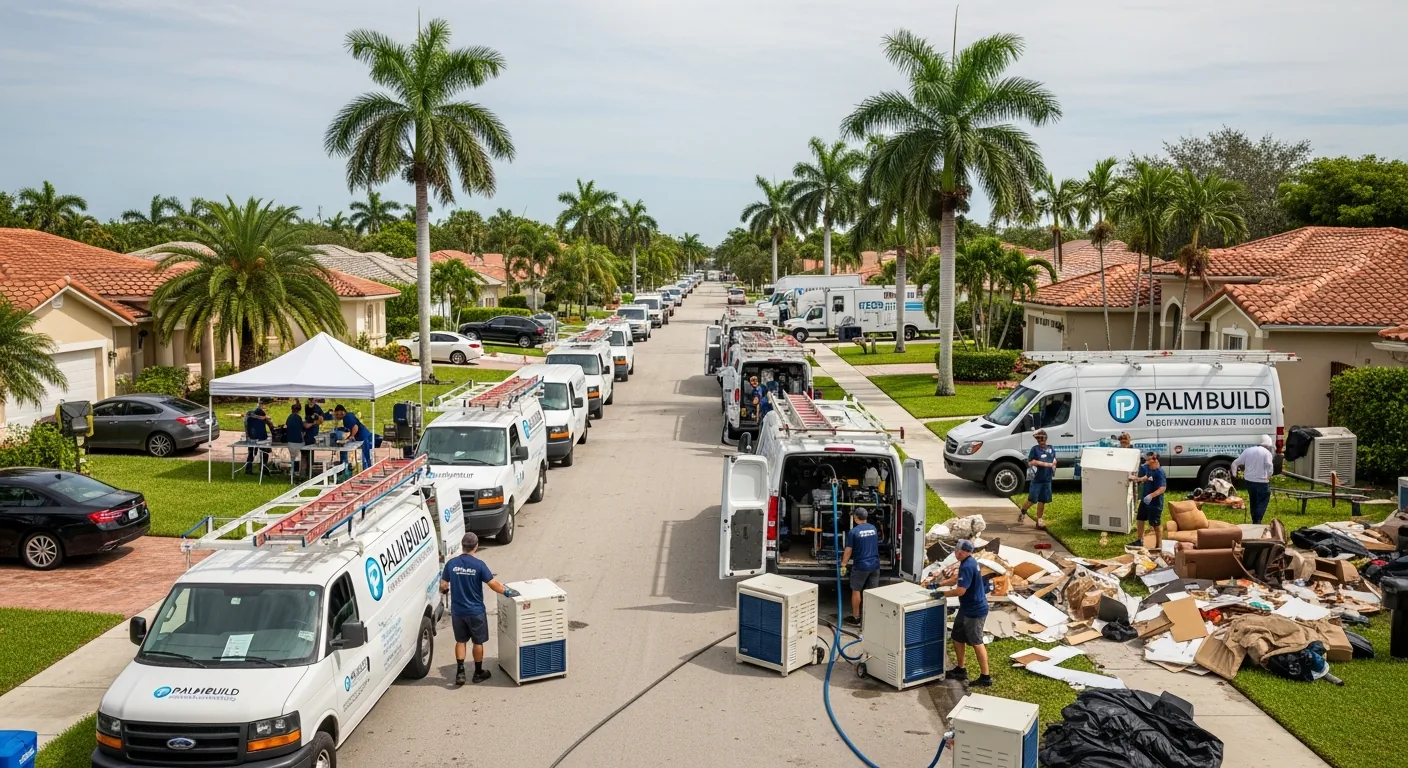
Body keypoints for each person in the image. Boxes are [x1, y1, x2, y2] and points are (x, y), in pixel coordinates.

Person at [440, 532, 514, 685]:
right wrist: (506, 592)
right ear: (476, 546)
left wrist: (445, 590)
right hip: (475, 612)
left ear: (462, 546)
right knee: (477, 642)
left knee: (460, 641)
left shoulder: (451, 564)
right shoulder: (479, 565)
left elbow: (443, 584)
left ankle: (460, 673)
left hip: (458, 612)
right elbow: (492, 584)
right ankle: (478, 673)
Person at [923, 540, 991, 687]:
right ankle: (961, 669)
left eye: (959, 551)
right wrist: (938, 584)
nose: (956, 553)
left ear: (966, 552)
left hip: (975, 610)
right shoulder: (966, 562)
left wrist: (942, 594)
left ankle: (985, 677)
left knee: (976, 642)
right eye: (956, 550)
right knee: (957, 637)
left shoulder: (968, 565)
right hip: (965, 607)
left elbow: (961, 590)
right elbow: (957, 579)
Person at [839, 508, 880, 627]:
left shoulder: (854, 532)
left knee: (856, 590)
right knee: (872, 592)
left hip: (861, 566)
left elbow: (848, 550)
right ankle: (871, 617)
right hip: (875, 565)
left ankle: (856, 617)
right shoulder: (873, 528)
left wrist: (843, 564)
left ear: (856, 518)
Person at [1233, 435, 1276, 525]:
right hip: (1262, 481)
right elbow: (1269, 466)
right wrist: (1269, 475)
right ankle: (1258, 519)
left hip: (1249, 481)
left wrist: (1234, 475)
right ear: (1268, 445)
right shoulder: (1267, 453)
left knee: (1253, 499)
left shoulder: (1248, 451)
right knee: (1264, 497)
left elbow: (1235, 463)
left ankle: (1254, 519)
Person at [1017, 430, 1056, 528]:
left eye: (1042, 439)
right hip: (1037, 479)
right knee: (1032, 500)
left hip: (1047, 479)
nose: (1041, 442)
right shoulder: (1035, 449)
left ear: (1046, 439)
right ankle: (1023, 510)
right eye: (1039, 440)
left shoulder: (1051, 449)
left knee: (1042, 500)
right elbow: (1030, 462)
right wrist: (1043, 464)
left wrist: (1053, 466)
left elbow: (1054, 460)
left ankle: (1039, 521)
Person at [1131, 451, 1168, 549]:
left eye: (1148, 459)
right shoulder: (1149, 468)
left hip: (1155, 503)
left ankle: (1159, 545)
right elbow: (1147, 477)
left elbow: (1162, 488)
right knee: (1140, 518)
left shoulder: (1160, 472)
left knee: (1155, 524)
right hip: (1145, 500)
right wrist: (1136, 479)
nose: (1145, 461)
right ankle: (1140, 541)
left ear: (1154, 459)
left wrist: (1151, 496)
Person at [334, 404, 372, 470]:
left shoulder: (347, 417)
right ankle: (346, 466)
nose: (337, 416)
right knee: (365, 455)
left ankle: (367, 469)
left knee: (365, 456)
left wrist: (351, 436)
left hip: (362, 436)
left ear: (342, 412)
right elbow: (351, 428)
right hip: (361, 436)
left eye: (337, 414)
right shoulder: (348, 416)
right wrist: (348, 436)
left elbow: (355, 427)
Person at [243, 401, 274, 475]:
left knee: (255, 453)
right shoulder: (252, 416)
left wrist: (248, 436)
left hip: (255, 438)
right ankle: (260, 468)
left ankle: (255, 468)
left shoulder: (251, 416)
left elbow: (270, 425)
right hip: (257, 438)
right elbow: (270, 425)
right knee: (260, 453)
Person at [283, 402, 305, 475]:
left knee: (292, 457)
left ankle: (292, 470)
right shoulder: (299, 418)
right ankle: (300, 470)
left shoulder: (289, 417)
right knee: (303, 453)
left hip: (290, 441)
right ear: (299, 411)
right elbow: (302, 429)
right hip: (298, 442)